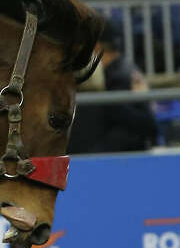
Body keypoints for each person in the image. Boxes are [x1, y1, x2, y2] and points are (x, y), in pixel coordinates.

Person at [66, 22, 156, 155]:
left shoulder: (119, 75)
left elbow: (142, 124)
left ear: (96, 46)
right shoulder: (117, 69)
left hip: (116, 156)